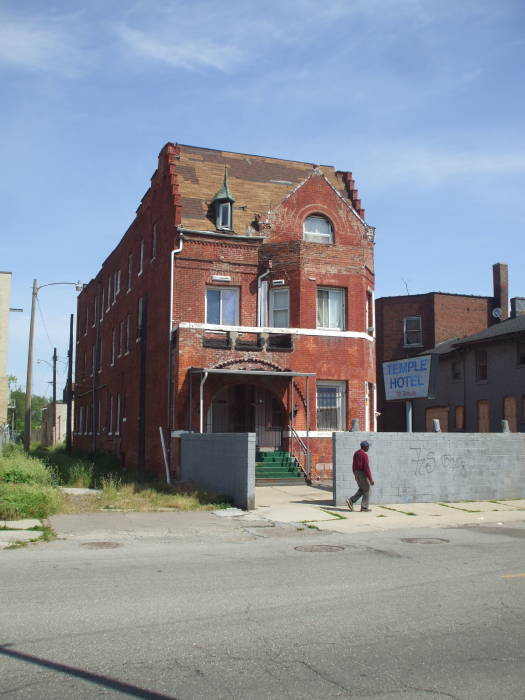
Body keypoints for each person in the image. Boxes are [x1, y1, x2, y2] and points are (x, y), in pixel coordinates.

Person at [347, 440, 374, 512]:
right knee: (367, 488)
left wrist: (355, 474)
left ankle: (351, 500)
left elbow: (353, 465)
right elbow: (366, 468)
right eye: (367, 447)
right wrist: (370, 479)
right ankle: (364, 507)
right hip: (362, 473)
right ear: (364, 447)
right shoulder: (364, 455)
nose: (368, 448)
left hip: (356, 473)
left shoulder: (356, 453)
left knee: (362, 489)